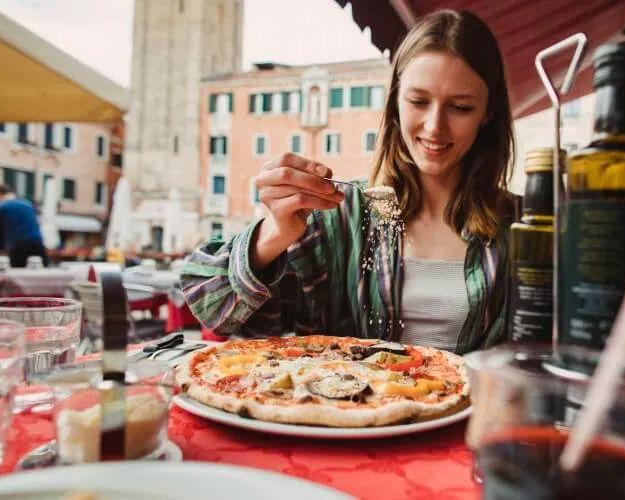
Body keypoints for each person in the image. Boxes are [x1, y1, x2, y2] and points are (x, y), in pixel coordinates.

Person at [181, 10, 515, 353]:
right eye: (418, 101)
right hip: (348, 405)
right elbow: (209, 306)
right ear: (395, 103)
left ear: (488, 112)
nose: (434, 126)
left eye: (460, 107)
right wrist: (273, 234)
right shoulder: (341, 212)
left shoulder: (522, 226)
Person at [0, 184, 49, 268]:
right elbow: (37, 224)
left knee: (18, 274)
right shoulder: (27, 204)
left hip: (17, 245)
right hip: (37, 242)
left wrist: (0, 251)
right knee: (42, 272)